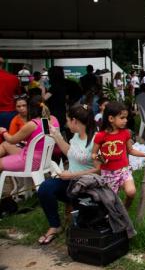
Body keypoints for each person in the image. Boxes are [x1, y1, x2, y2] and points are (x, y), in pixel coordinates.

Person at [37, 104, 99, 245]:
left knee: (80, 221)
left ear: (75, 121)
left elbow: (99, 170)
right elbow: (71, 153)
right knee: (45, 188)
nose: (66, 123)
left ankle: (75, 210)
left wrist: (72, 175)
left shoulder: (96, 139)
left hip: (86, 185)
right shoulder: (76, 136)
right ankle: (55, 225)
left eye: (67, 120)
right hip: (71, 181)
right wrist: (57, 136)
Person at [92, 102, 145, 208]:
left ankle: (125, 210)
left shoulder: (125, 133)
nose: (125, 120)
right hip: (108, 173)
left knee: (131, 192)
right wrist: (98, 158)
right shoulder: (100, 136)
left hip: (123, 170)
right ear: (111, 118)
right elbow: (93, 153)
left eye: (126, 118)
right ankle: (113, 215)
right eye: (122, 118)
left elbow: (130, 150)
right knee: (110, 201)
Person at [0, 95, 59, 172]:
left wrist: (3, 131)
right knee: (5, 144)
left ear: (30, 108)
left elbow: (12, 140)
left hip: (31, 161)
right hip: (45, 158)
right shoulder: (53, 119)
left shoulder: (33, 124)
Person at [45, 66, 68, 131]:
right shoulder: (62, 85)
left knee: (53, 133)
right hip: (61, 112)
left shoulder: (54, 87)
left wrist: (42, 90)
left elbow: (44, 99)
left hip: (55, 114)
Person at [0, 57, 20, 129]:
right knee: (9, 137)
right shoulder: (13, 78)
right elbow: (18, 94)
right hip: (9, 112)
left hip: (8, 112)